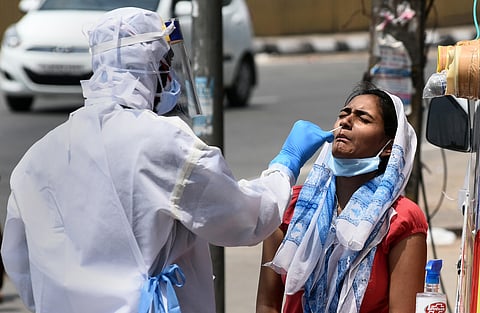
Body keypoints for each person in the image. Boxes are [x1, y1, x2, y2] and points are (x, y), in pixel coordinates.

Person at [0, 7, 336, 313]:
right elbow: (243, 218)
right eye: (167, 64)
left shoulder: (36, 159)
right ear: (152, 67)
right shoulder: (162, 142)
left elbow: (19, 262)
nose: (171, 77)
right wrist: (285, 165)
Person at [256, 82, 428, 313]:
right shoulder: (292, 206)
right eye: (343, 115)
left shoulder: (400, 219)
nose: (346, 122)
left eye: (363, 119)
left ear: (389, 146)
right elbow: (267, 305)